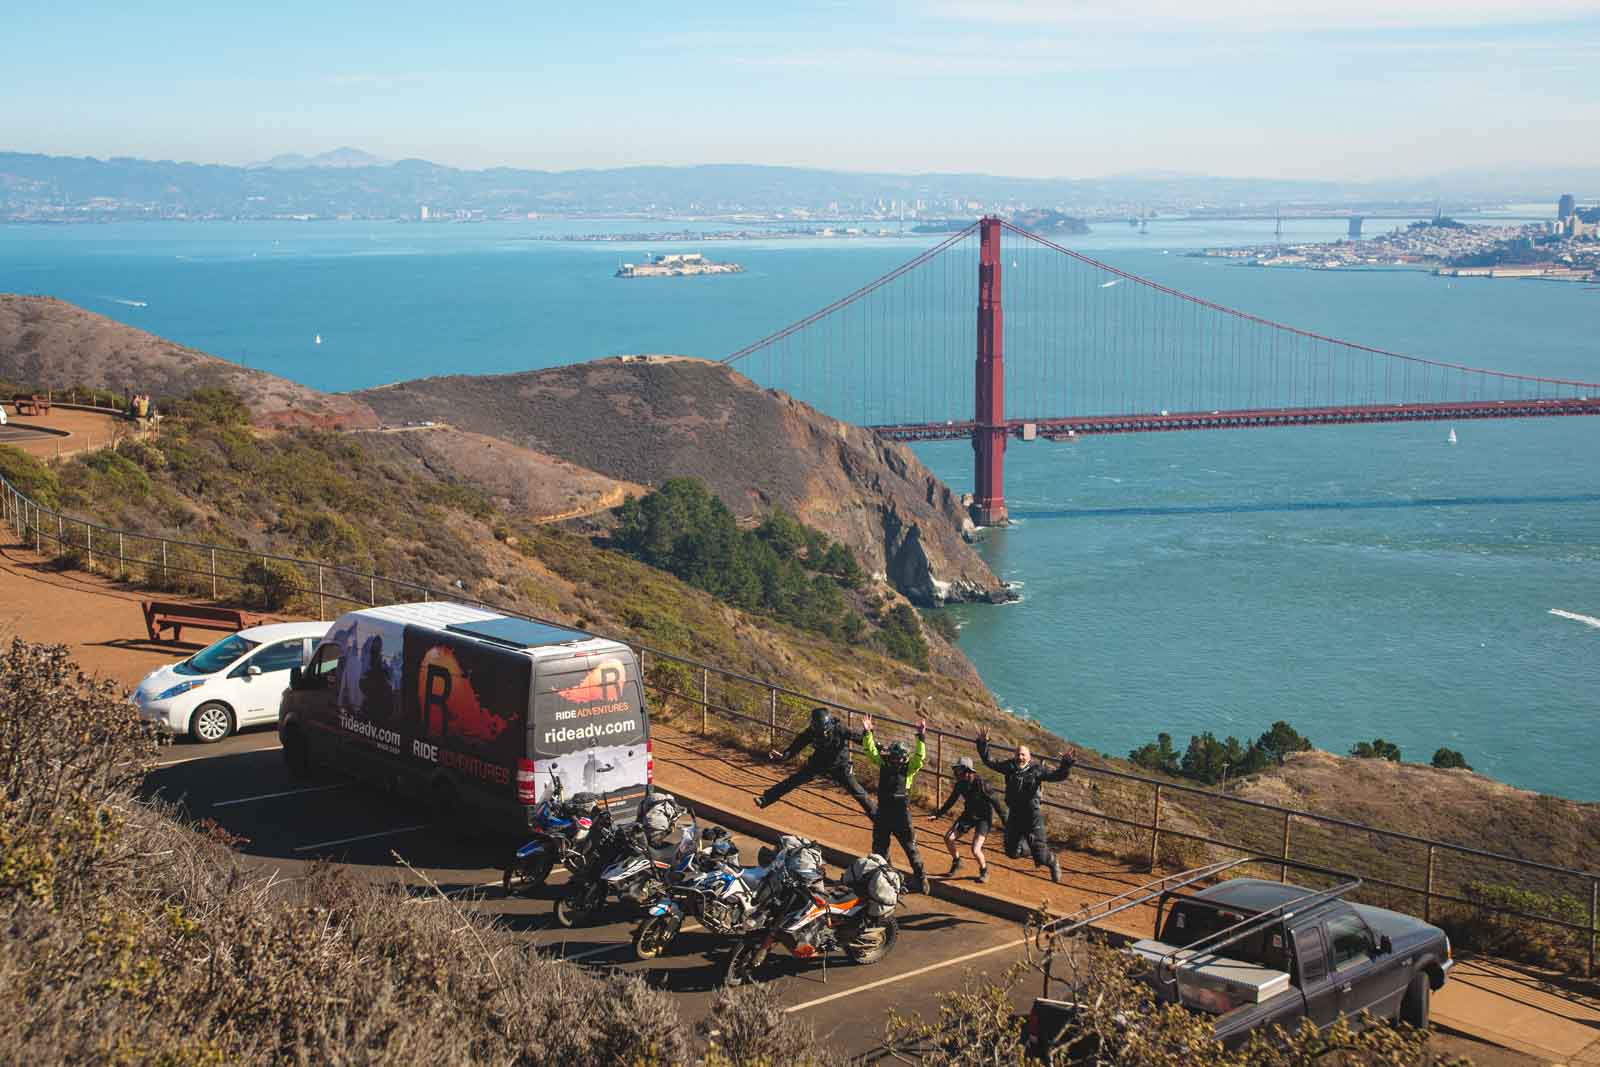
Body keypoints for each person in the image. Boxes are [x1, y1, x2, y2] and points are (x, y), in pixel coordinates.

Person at [976, 728, 1076, 883]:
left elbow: (1057, 776)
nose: (1019, 757)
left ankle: (1052, 861)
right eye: (1017, 754)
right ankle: (1030, 845)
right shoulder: (1009, 767)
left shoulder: (1037, 770)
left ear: (1029, 757)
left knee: (1041, 856)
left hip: (1032, 816)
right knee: (1011, 852)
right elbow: (989, 762)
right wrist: (983, 744)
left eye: (1023, 754)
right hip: (1015, 815)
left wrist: (1066, 764)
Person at [755, 706, 875, 818]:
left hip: (840, 765)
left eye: (822, 730)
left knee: (858, 792)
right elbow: (797, 746)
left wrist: (868, 732)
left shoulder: (840, 728)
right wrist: (783, 756)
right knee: (794, 780)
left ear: (828, 725)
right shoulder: (811, 731)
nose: (820, 732)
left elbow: (860, 740)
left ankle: (879, 819)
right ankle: (766, 798)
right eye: (816, 728)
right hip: (819, 762)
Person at [862, 715, 928, 893]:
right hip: (889, 813)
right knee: (885, 847)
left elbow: (919, 757)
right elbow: (871, 751)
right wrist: (868, 732)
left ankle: (919, 880)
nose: (895, 761)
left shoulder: (903, 767)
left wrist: (921, 736)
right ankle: (891, 876)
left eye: (897, 758)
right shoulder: (902, 766)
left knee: (905, 847)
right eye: (894, 758)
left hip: (895, 814)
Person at [933, 756, 1007, 883]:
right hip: (968, 815)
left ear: (968, 771)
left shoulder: (984, 785)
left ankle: (984, 871)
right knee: (948, 838)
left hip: (984, 818)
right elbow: (951, 801)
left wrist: (1006, 823)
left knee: (975, 849)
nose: (956, 774)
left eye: (959, 771)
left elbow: (997, 805)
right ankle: (957, 861)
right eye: (956, 771)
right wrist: (938, 814)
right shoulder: (960, 785)